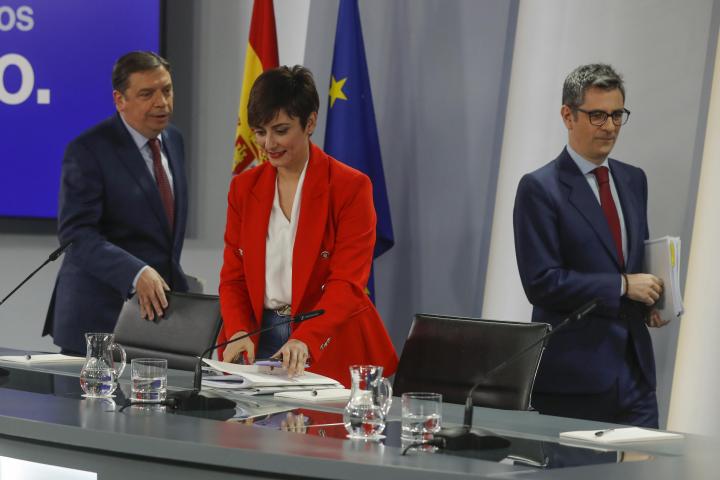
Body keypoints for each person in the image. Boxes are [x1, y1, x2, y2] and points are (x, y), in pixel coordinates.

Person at [218, 65, 398, 387]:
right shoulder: (243, 189)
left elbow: (347, 283)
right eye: (260, 132)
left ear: (310, 122)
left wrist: (307, 339)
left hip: (328, 339)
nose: (268, 144)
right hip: (257, 337)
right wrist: (238, 330)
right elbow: (233, 277)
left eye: (280, 130)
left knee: (317, 422)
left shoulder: (350, 187)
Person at [513, 64, 669, 427]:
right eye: (597, 115)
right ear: (568, 116)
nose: (610, 126)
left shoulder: (633, 179)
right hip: (575, 378)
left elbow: (632, 259)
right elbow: (542, 282)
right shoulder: (539, 188)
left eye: (617, 115)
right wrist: (623, 286)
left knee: (647, 460)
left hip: (636, 374)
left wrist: (654, 300)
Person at [43, 51, 189, 355]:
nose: (162, 102)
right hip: (97, 321)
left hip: (155, 323)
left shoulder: (174, 140)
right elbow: (76, 236)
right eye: (147, 94)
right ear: (119, 100)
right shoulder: (88, 150)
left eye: (167, 90)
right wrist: (136, 272)